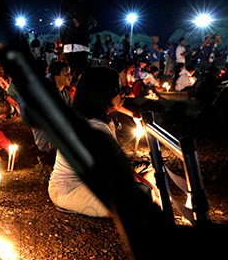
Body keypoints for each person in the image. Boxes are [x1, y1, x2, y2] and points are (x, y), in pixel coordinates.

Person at [48, 67, 158, 218]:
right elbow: (117, 172)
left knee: (147, 169)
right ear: (102, 94)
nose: (123, 94)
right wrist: (148, 188)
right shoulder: (94, 127)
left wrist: (144, 184)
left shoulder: (95, 118)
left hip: (96, 178)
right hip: (71, 189)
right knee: (142, 199)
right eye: (117, 90)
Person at [59, 0, 95, 78]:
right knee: (77, 77)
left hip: (79, 45)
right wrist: (87, 21)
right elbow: (85, 17)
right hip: (74, 45)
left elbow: (88, 20)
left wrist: (86, 21)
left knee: (81, 77)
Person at [32, 61, 73, 153]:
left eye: (70, 74)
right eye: (66, 75)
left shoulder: (65, 93)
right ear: (56, 76)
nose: (70, 77)